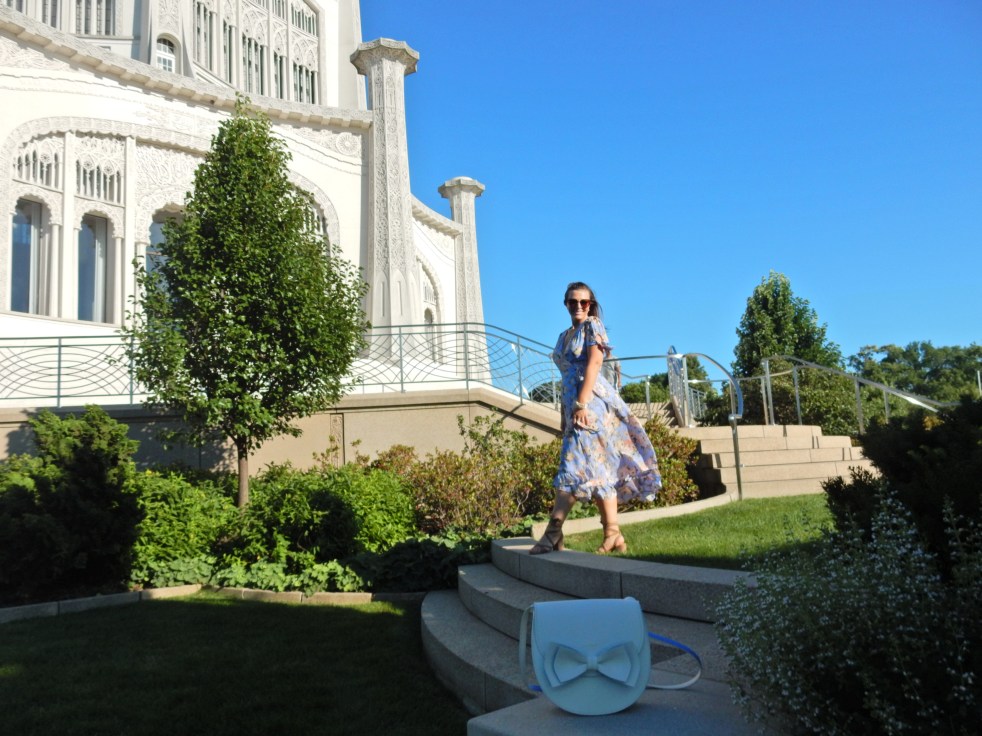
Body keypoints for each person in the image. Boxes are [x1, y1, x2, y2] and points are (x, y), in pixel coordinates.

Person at [530, 282, 661, 555]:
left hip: (590, 405)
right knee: (599, 468)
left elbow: (594, 363)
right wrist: (566, 415)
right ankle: (613, 534)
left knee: (572, 466)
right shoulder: (564, 335)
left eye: (584, 302)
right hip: (574, 406)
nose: (578, 306)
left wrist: (581, 404)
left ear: (591, 304)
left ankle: (554, 531)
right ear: (565, 304)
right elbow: (565, 378)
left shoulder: (592, 326)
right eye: (572, 302)